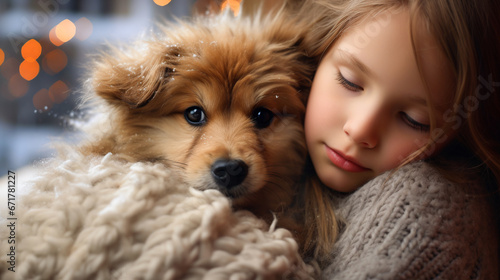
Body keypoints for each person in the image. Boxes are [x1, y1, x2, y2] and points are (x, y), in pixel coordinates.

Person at [293, 0, 500, 278]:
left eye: (415, 120)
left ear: (459, 137)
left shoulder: (428, 222)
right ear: (317, 53)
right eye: (349, 81)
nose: (360, 130)